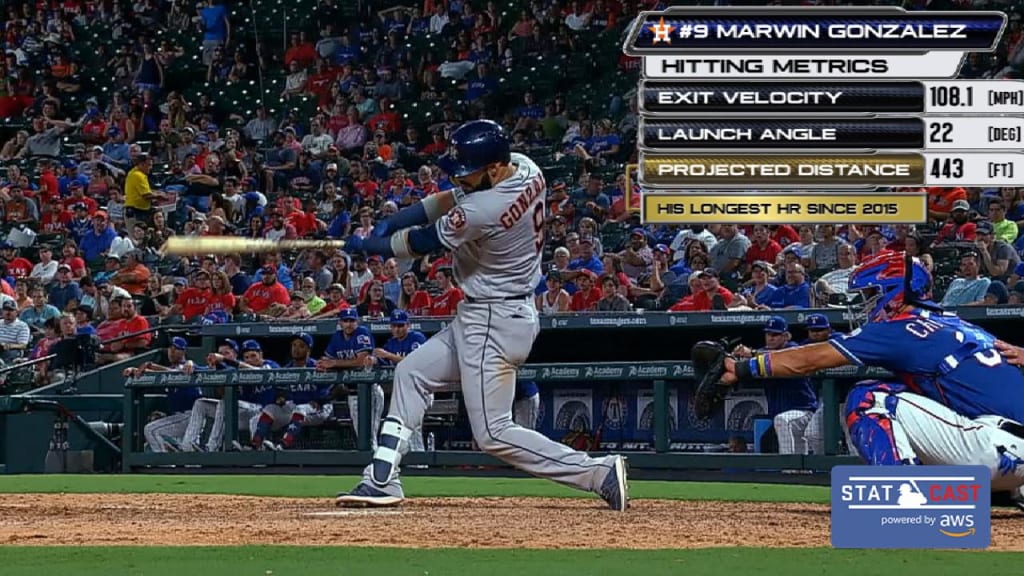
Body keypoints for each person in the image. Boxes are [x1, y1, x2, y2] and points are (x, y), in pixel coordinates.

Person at [335, 120, 627, 510]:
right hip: (490, 313)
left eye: (467, 171)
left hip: (494, 318)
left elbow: (421, 242)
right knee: (411, 372)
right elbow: (449, 197)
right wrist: (398, 216)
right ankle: (382, 478)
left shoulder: (487, 207)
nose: (461, 178)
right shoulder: (523, 167)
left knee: (492, 432)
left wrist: (373, 243)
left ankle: (598, 472)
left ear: (492, 168)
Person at [718, 251, 1024, 497]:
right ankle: (1005, 491)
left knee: (869, 398)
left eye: (871, 293)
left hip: (998, 450)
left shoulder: (901, 326)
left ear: (895, 293)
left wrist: (744, 367)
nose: (866, 302)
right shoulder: (957, 324)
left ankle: (902, 498)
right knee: (915, 395)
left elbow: (813, 358)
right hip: (1006, 450)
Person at [733, 317, 821, 456]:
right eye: (768, 334)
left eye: (775, 334)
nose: (771, 338)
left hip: (804, 411)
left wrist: (752, 353)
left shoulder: (793, 348)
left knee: (782, 421)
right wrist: (737, 357)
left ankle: (788, 468)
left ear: (785, 336)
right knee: (790, 439)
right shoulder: (762, 352)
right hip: (781, 414)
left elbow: (778, 357)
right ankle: (798, 473)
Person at [317, 307, 384, 450]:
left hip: (369, 390)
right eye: (345, 321)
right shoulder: (337, 337)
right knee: (362, 434)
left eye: (352, 321)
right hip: (352, 392)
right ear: (340, 323)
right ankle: (372, 464)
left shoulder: (362, 333)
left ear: (357, 322)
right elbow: (328, 359)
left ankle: (375, 466)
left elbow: (362, 360)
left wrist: (335, 363)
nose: (348, 324)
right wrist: (323, 364)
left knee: (370, 434)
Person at [125, 337, 201, 452]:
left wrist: (150, 365)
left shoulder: (188, 366)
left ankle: (164, 463)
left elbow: (174, 373)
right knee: (187, 456)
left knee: (151, 430)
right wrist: (135, 370)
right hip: (180, 417)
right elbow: (161, 373)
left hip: (192, 416)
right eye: (170, 349)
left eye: (175, 349)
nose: (171, 352)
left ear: (183, 351)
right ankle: (168, 461)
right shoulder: (170, 368)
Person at [372, 310, 428, 451]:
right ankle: (413, 463)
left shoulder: (417, 338)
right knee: (402, 428)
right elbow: (382, 361)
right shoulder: (391, 343)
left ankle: (420, 464)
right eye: (394, 326)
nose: (397, 329)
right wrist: (372, 360)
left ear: (408, 325)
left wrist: (388, 355)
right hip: (403, 393)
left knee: (413, 428)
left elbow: (415, 363)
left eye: (401, 325)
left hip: (420, 390)